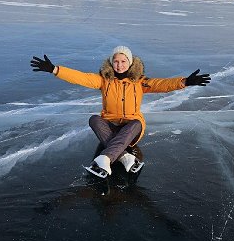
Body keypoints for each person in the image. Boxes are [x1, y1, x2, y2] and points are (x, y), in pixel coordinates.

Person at [30, 46, 211, 178]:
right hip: (110, 126)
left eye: (123, 61)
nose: (119, 65)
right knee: (94, 119)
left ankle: (105, 158)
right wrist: (55, 70)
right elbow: (82, 78)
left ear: (130, 63)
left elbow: (161, 84)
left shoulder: (139, 81)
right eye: (116, 61)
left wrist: (185, 81)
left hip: (132, 128)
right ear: (111, 63)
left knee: (136, 123)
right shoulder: (104, 80)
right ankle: (124, 156)